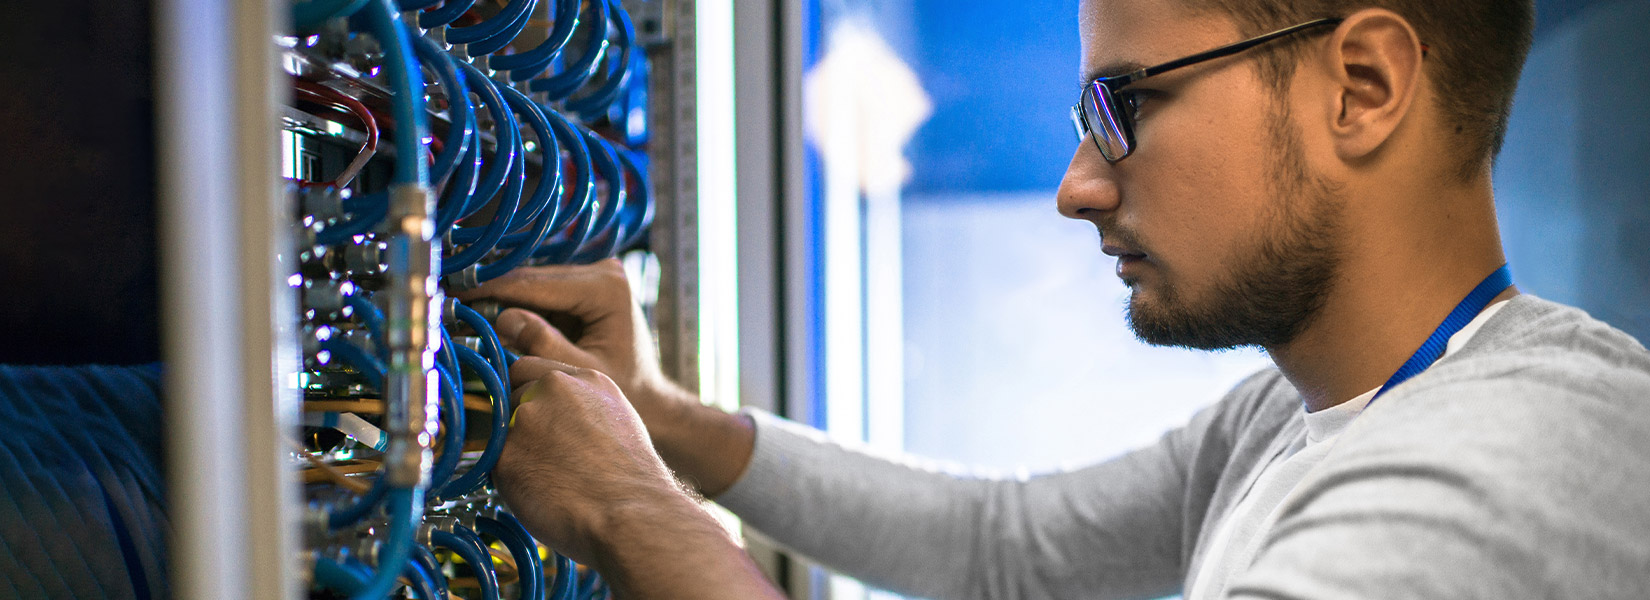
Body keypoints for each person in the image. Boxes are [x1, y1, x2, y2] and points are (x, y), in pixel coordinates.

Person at [463, 0, 1650, 596]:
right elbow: (1007, 546)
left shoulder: (1505, 466)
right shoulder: (1304, 413)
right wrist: (663, 418)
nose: (1080, 188)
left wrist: (634, 515)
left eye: (1123, 106)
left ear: (1362, 84)